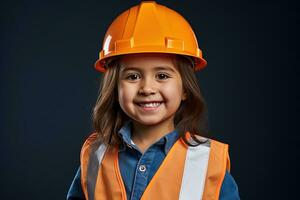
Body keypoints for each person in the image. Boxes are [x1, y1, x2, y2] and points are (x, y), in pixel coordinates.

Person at [67, 1, 240, 200]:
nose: (147, 89)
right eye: (132, 76)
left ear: (185, 88)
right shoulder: (95, 156)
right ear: (114, 88)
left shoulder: (208, 164)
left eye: (162, 76)